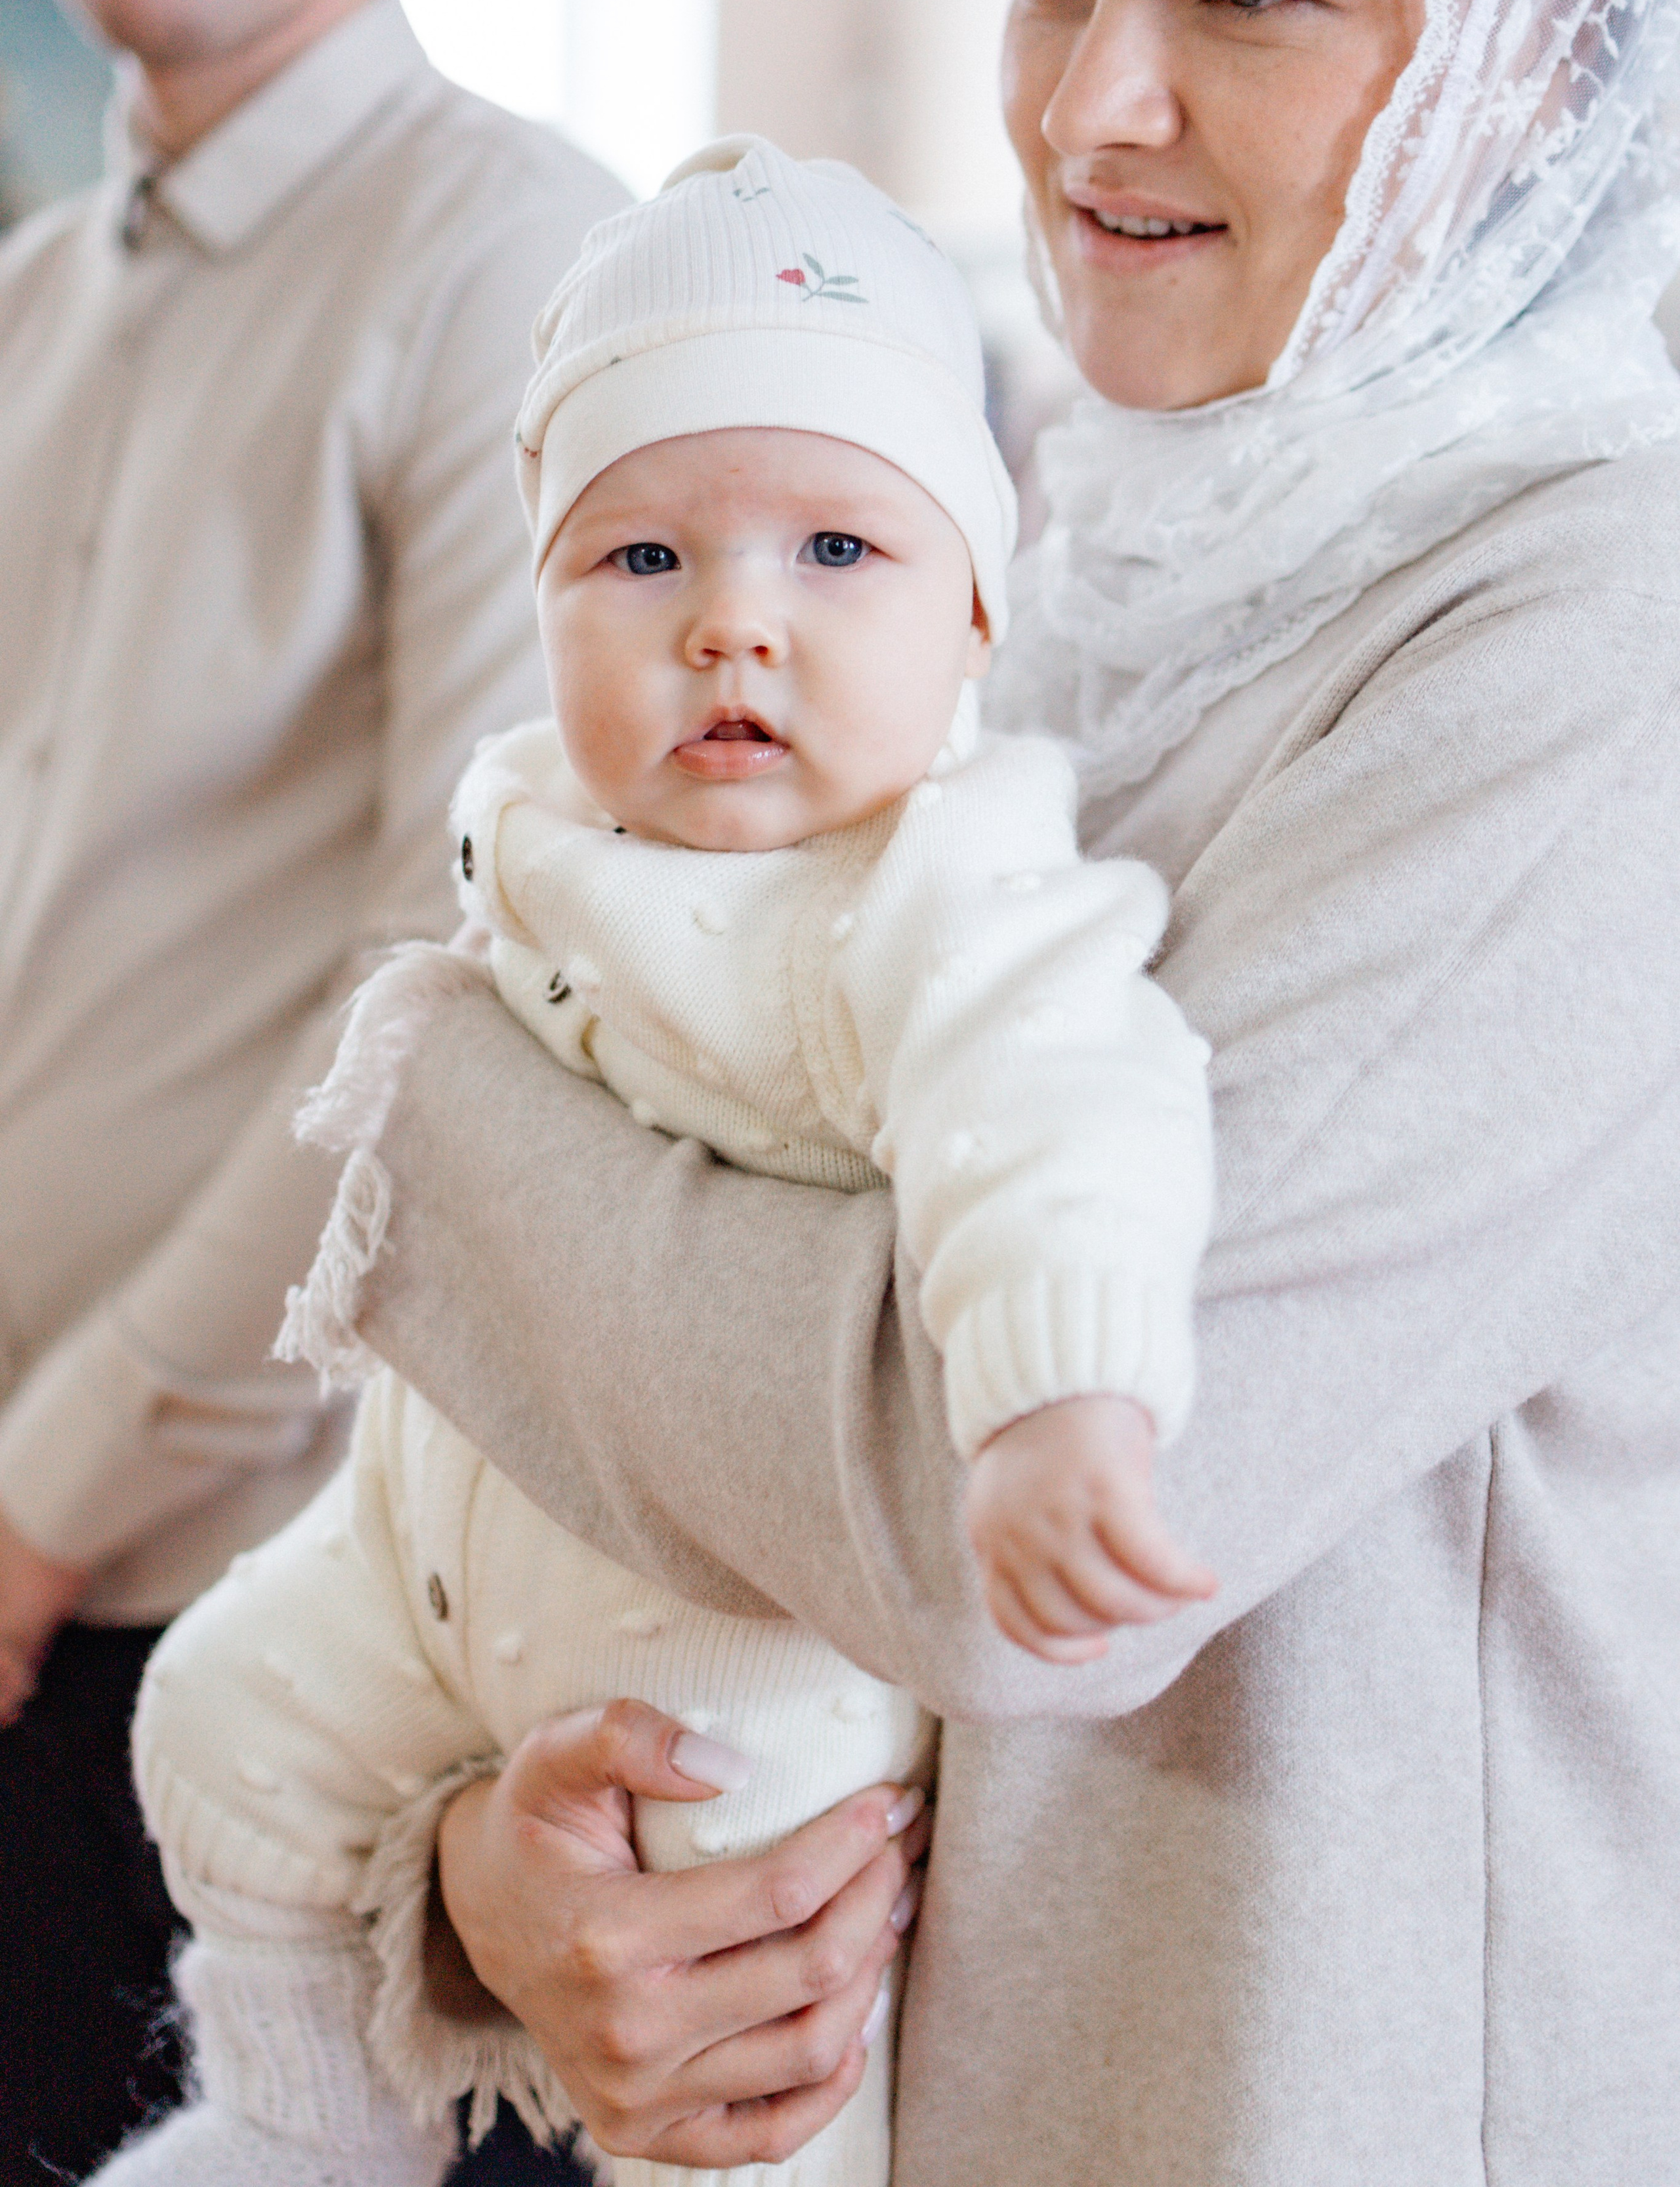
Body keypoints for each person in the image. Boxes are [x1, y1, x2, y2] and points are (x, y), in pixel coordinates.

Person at [260, 0, 1680, 2180]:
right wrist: (509, 1895)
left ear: (1554, 22)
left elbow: (999, 1516)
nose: (1087, 105)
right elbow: (711, 1336)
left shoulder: (1595, 651)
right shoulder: (1083, 538)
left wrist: (434, 1106)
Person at [91, 136, 1217, 2187]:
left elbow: (1059, 1096)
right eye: (640, 562)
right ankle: (302, 2129)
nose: (732, 629)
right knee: (214, 1719)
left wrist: (1060, 1398)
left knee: (747, 1994)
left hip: (722, 1655)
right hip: (418, 1541)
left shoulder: (938, 884)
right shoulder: (535, 814)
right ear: (540, 604)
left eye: (835, 550)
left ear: (979, 605)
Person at [0, 0, 620, 2176]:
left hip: (260, 1613)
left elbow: (444, 984)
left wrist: (47, 1492)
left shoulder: (517, 257)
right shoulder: (35, 299)